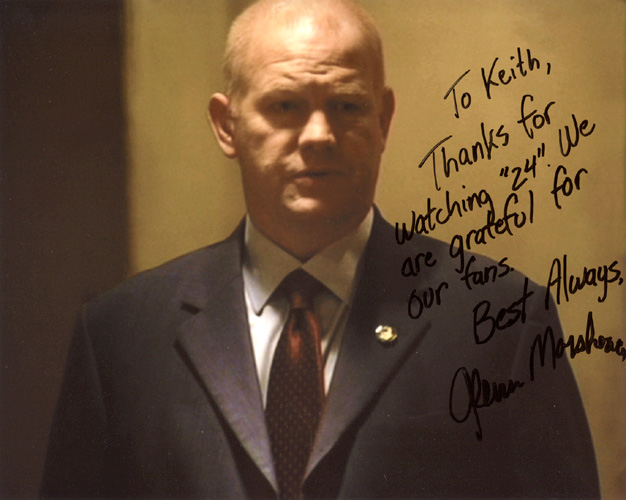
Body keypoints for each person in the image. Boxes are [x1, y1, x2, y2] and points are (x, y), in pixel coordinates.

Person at [41, 0, 600, 498]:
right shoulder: (118, 337)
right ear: (226, 124)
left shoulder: (502, 322)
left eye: (347, 106)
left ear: (384, 120)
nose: (318, 135)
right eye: (285, 106)